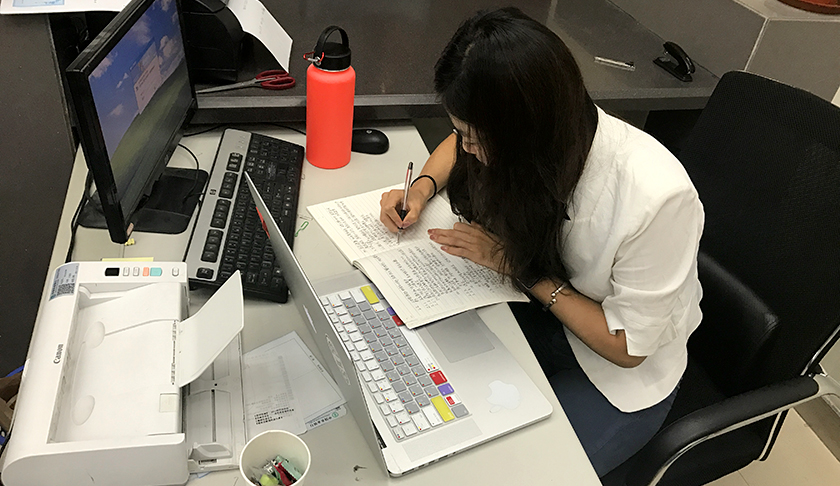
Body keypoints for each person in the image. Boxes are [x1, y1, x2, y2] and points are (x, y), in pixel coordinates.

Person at [379, 7, 704, 478]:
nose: (467, 149)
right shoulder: (545, 138)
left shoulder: (656, 197)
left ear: (524, 131)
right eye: (464, 133)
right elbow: (456, 142)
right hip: (540, 318)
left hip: (614, 372)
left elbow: (627, 348)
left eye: (476, 139)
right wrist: (422, 188)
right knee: (418, 383)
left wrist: (520, 269)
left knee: (510, 474)